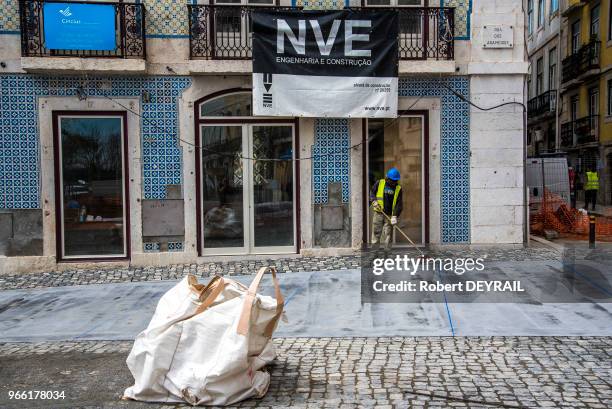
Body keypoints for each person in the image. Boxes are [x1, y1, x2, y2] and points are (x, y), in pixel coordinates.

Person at [370, 168, 403, 249]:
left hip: (389, 215)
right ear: (387, 178)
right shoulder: (379, 183)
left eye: (395, 181)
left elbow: (399, 204)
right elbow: (372, 193)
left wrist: (395, 216)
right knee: (376, 233)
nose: (393, 182)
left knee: (388, 235)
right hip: (378, 213)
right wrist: (374, 201)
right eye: (392, 180)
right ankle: (375, 252)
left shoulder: (398, 188)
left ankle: (387, 254)